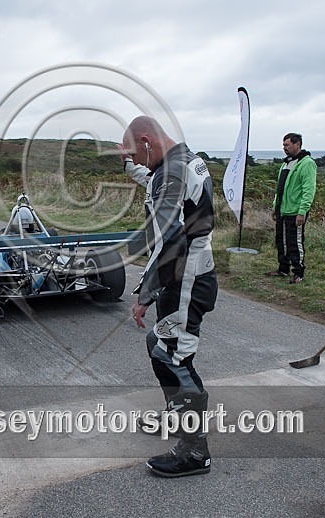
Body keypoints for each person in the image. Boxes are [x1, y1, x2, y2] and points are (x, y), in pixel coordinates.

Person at [120, 116, 217, 477]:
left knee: (173, 357)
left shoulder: (171, 173)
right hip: (190, 275)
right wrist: (130, 165)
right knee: (157, 343)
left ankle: (194, 452)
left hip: (186, 279)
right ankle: (178, 417)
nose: (140, 162)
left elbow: (171, 241)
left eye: (137, 154)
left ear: (147, 140)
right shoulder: (182, 160)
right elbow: (154, 182)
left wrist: (145, 294)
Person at [266, 133, 317, 283]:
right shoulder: (286, 163)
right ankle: (283, 269)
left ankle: (298, 272)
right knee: (281, 241)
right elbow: (280, 188)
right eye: (283, 145)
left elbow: (308, 190)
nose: (284, 148)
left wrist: (302, 212)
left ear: (297, 144)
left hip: (295, 211)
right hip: (282, 210)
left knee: (295, 242)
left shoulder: (307, 163)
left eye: (287, 145)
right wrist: (276, 207)